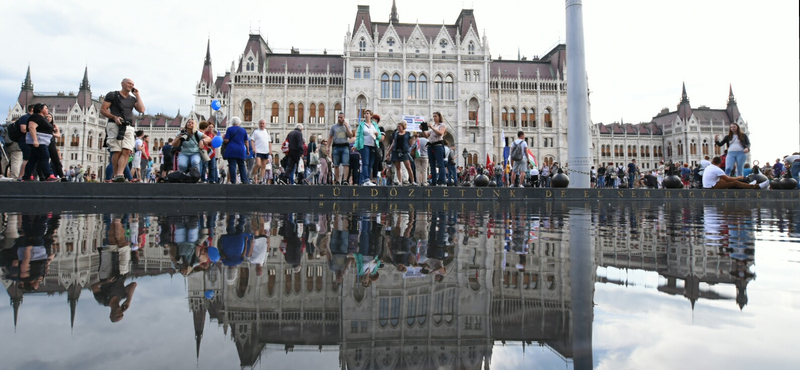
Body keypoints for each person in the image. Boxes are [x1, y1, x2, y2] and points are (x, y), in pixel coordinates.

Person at [100, 78, 145, 182]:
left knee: (127, 150)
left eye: (133, 84)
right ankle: (116, 175)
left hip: (128, 126)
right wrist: (114, 117)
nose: (131, 85)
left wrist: (137, 95)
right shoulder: (112, 95)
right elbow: (103, 109)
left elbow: (142, 109)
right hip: (114, 125)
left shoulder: (132, 99)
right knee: (116, 151)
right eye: (129, 83)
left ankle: (120, 174)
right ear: (122, 84)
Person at [22, 104, 59, 181]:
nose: (48, 110)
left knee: (33, 159)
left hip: (42, 141)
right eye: (46, 108)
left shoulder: (41, 118)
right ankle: (48, 175)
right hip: (39, 141)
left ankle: (26, 176)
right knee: (45, 156)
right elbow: (31, 127)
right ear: (40, 109)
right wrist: (35, 140)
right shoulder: (36, 117)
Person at [328, 112, 355, 185]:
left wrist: (346, 126)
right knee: (336, 164)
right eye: (338, 117)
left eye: (341, 117)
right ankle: (337, 180)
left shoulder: (347, 126)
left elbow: (350, 136)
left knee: (346, 164)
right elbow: (330, 137)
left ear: (344, 118)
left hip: (345, 146)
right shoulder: (333, 127)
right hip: (336, 146)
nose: (339, 119)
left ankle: (345, 180)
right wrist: (328, 147)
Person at [355, 110, 380, 186]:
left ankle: (367, 180)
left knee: (370, 164)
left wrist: (377, 134)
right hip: (364, 145)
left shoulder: (374, 125)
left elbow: (379, 136)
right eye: (365, 113)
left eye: (367, 113)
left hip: (373, 145)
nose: (366, 115)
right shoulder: (361, 125)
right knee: (365, 162)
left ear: (371, 115)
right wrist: (355, 145)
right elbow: (358, 136)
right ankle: (366, 179)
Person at [422, 112, 447, 186]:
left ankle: (441, 180)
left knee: (440, 164)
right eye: (433, 116)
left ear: (439, 117)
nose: (434, 117)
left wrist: (432, 128)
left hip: (438, 145)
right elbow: (426, 136)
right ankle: (433, 181)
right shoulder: (433, 125)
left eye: (435, 116)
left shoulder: (442, 125)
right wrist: (423, 129)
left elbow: (441, 133)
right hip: (431, 145)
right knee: (432, 165)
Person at [223, 116, 250, 184]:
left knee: (232, 165)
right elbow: (246, 141)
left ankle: (233, 180)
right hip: (240, 149)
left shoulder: (229, 129)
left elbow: (226, 140)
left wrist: (224, 139)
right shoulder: (243, 130)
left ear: (232, 122)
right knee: (242, 165)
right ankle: (244, 180)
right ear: (239, 122)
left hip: (231, 149)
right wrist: (248, 150)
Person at [387, 121, 415, 185]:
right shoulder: (396, 134)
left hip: (404, 151)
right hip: (396, 151)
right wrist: (388, 151)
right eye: (398, 126)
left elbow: (411, 143)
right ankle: (400, 181)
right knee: (398, 167)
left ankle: (413, 181)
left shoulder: (408, 133)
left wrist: (413, 139)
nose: (398, 127)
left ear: (403, 126)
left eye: (399, 126)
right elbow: (393, 143)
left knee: (408, 167)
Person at [250, 119, 272, 184]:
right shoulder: (256, 132)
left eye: (263, 123)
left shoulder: (267, 132)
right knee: (258, 164)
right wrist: (254, 148)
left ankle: (261, 179)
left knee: (264, 166)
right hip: (258, 151)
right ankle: (252, 175)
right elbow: (252, 140)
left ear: (265, 124)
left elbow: (269, 142)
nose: (262, 125)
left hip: (265, 151)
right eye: (261, 123)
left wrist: (270, 150)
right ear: (259, 124)